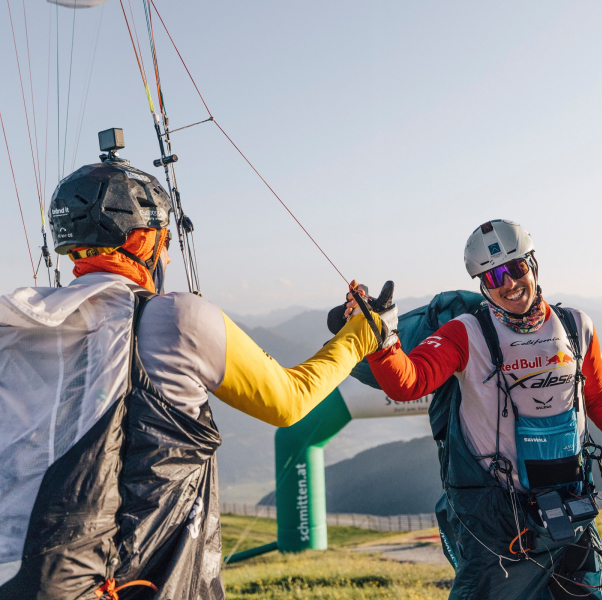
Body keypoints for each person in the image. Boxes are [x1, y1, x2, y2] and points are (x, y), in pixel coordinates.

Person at [0, 158, 396, 599]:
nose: (167, 253)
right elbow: (290, 401)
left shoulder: (18, 328)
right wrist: (362, 334)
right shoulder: (174, 318)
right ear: (142, 238)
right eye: (165, 239)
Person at [337, 220, 602, 600]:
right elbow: (410, 382)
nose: (508, 283)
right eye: (493, 277)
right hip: (497, 520)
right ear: (482, 284)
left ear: (533, 264)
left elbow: (600, 401)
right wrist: (382, 341)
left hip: (569, 507)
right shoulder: (464, 332)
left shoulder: (575, 326)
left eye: (515, 268)